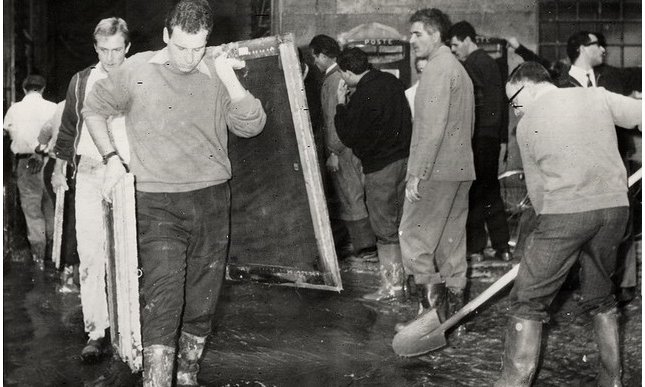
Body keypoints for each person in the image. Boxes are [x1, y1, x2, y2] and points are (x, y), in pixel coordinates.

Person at [82, 0, 266, 384]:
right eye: (181, 46)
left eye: (198, 47)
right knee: (164, 296)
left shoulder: (216, 69)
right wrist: (113, 158)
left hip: (212, 199)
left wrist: (230, 79)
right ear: (166, 35)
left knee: (203, 297)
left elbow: (251, 126)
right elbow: (94, 107)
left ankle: (187, 374)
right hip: (156, 202)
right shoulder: (135, 70)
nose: (188, 56)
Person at [495, 61, 641, 386]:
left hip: (565, 214)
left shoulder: (527, 123)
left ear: (529, 86)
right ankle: (611, 380)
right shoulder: (596, 96)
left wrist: (555, 243)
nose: (516, 111)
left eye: (515, 102)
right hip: (616, 209)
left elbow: (538, 195)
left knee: (527, 299)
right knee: (601, 295)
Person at [52, 17, 132, 364]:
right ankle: (96, 332)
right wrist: (59, 168)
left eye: (117, 50)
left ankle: (129, 327)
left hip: (128, 175)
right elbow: (69, 128)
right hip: (87, 172)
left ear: (127, 48)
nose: (111, 57)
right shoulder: (81, 81)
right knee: (90, 254)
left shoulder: (141, 76)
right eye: (104, 50)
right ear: (95, 47)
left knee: (130, 251)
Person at [396, 8, 475, 332]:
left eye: (417, 33)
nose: (411, 39)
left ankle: (426, 322)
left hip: (435, 170)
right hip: (459, 169)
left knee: (414, 237)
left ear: (436, 34)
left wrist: (417, 173)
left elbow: (431, 126)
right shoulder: (458, 69)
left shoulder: (436, 70)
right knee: (450, 243)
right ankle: (454, 319)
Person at [557, 31, 642, 304]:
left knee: (623, 220)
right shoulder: (561, 84)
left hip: (615, 159)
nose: (604, 49)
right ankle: (582, 280)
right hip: (580, 165)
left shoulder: (611, 78)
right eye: (598, 45)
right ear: (582, 48)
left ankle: (625, 283)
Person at [334, 47, 412, 302]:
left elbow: (348, 135)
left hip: (381, 168)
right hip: (404, 162)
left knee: (384, 229)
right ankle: (407, 281)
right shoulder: (391, 81)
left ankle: (392, 287)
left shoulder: (362, 95)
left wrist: (340, 105)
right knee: (402, 224)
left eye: (342, 75)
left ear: (347, 72)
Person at [309, 34, 377, 261]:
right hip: (356, 145)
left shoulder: (331, 80)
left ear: (323, 55)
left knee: (350, 197)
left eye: (315, 57)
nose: (315, 63)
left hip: (342, 148)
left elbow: (332, 120)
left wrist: (333, 153)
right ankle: (365, 244)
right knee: (358, 193)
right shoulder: (346, 74)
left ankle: (365, 248)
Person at [448, 21, 512, 262]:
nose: (454, 50)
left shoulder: (471, 65)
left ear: (467, 40)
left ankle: (475, 248)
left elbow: (471, 106)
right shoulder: (492, 64)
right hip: (491, 138)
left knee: (472, 192)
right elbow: (501, 105)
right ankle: (502, 246)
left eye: (455, 45)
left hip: (476, 138)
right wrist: (502, 139)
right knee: (491, 191)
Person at [3, 75, 57, 270]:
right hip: (50, 161)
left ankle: (39, 258)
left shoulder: (14, 109)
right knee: (51, 206)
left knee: (32, 210)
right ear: (42, 89)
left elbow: (6, 132)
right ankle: (54, 255)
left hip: (26, 162)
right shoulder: (53, 107)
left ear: (24, 89)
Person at [37, 100, 80, 293]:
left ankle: (65, 271)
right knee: (73, 222)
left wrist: (42, 146)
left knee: (63, 220)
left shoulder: (62, 105)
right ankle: (69, 275)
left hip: (54, 167)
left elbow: (45, 131)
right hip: (70, 167)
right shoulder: (95, 97)